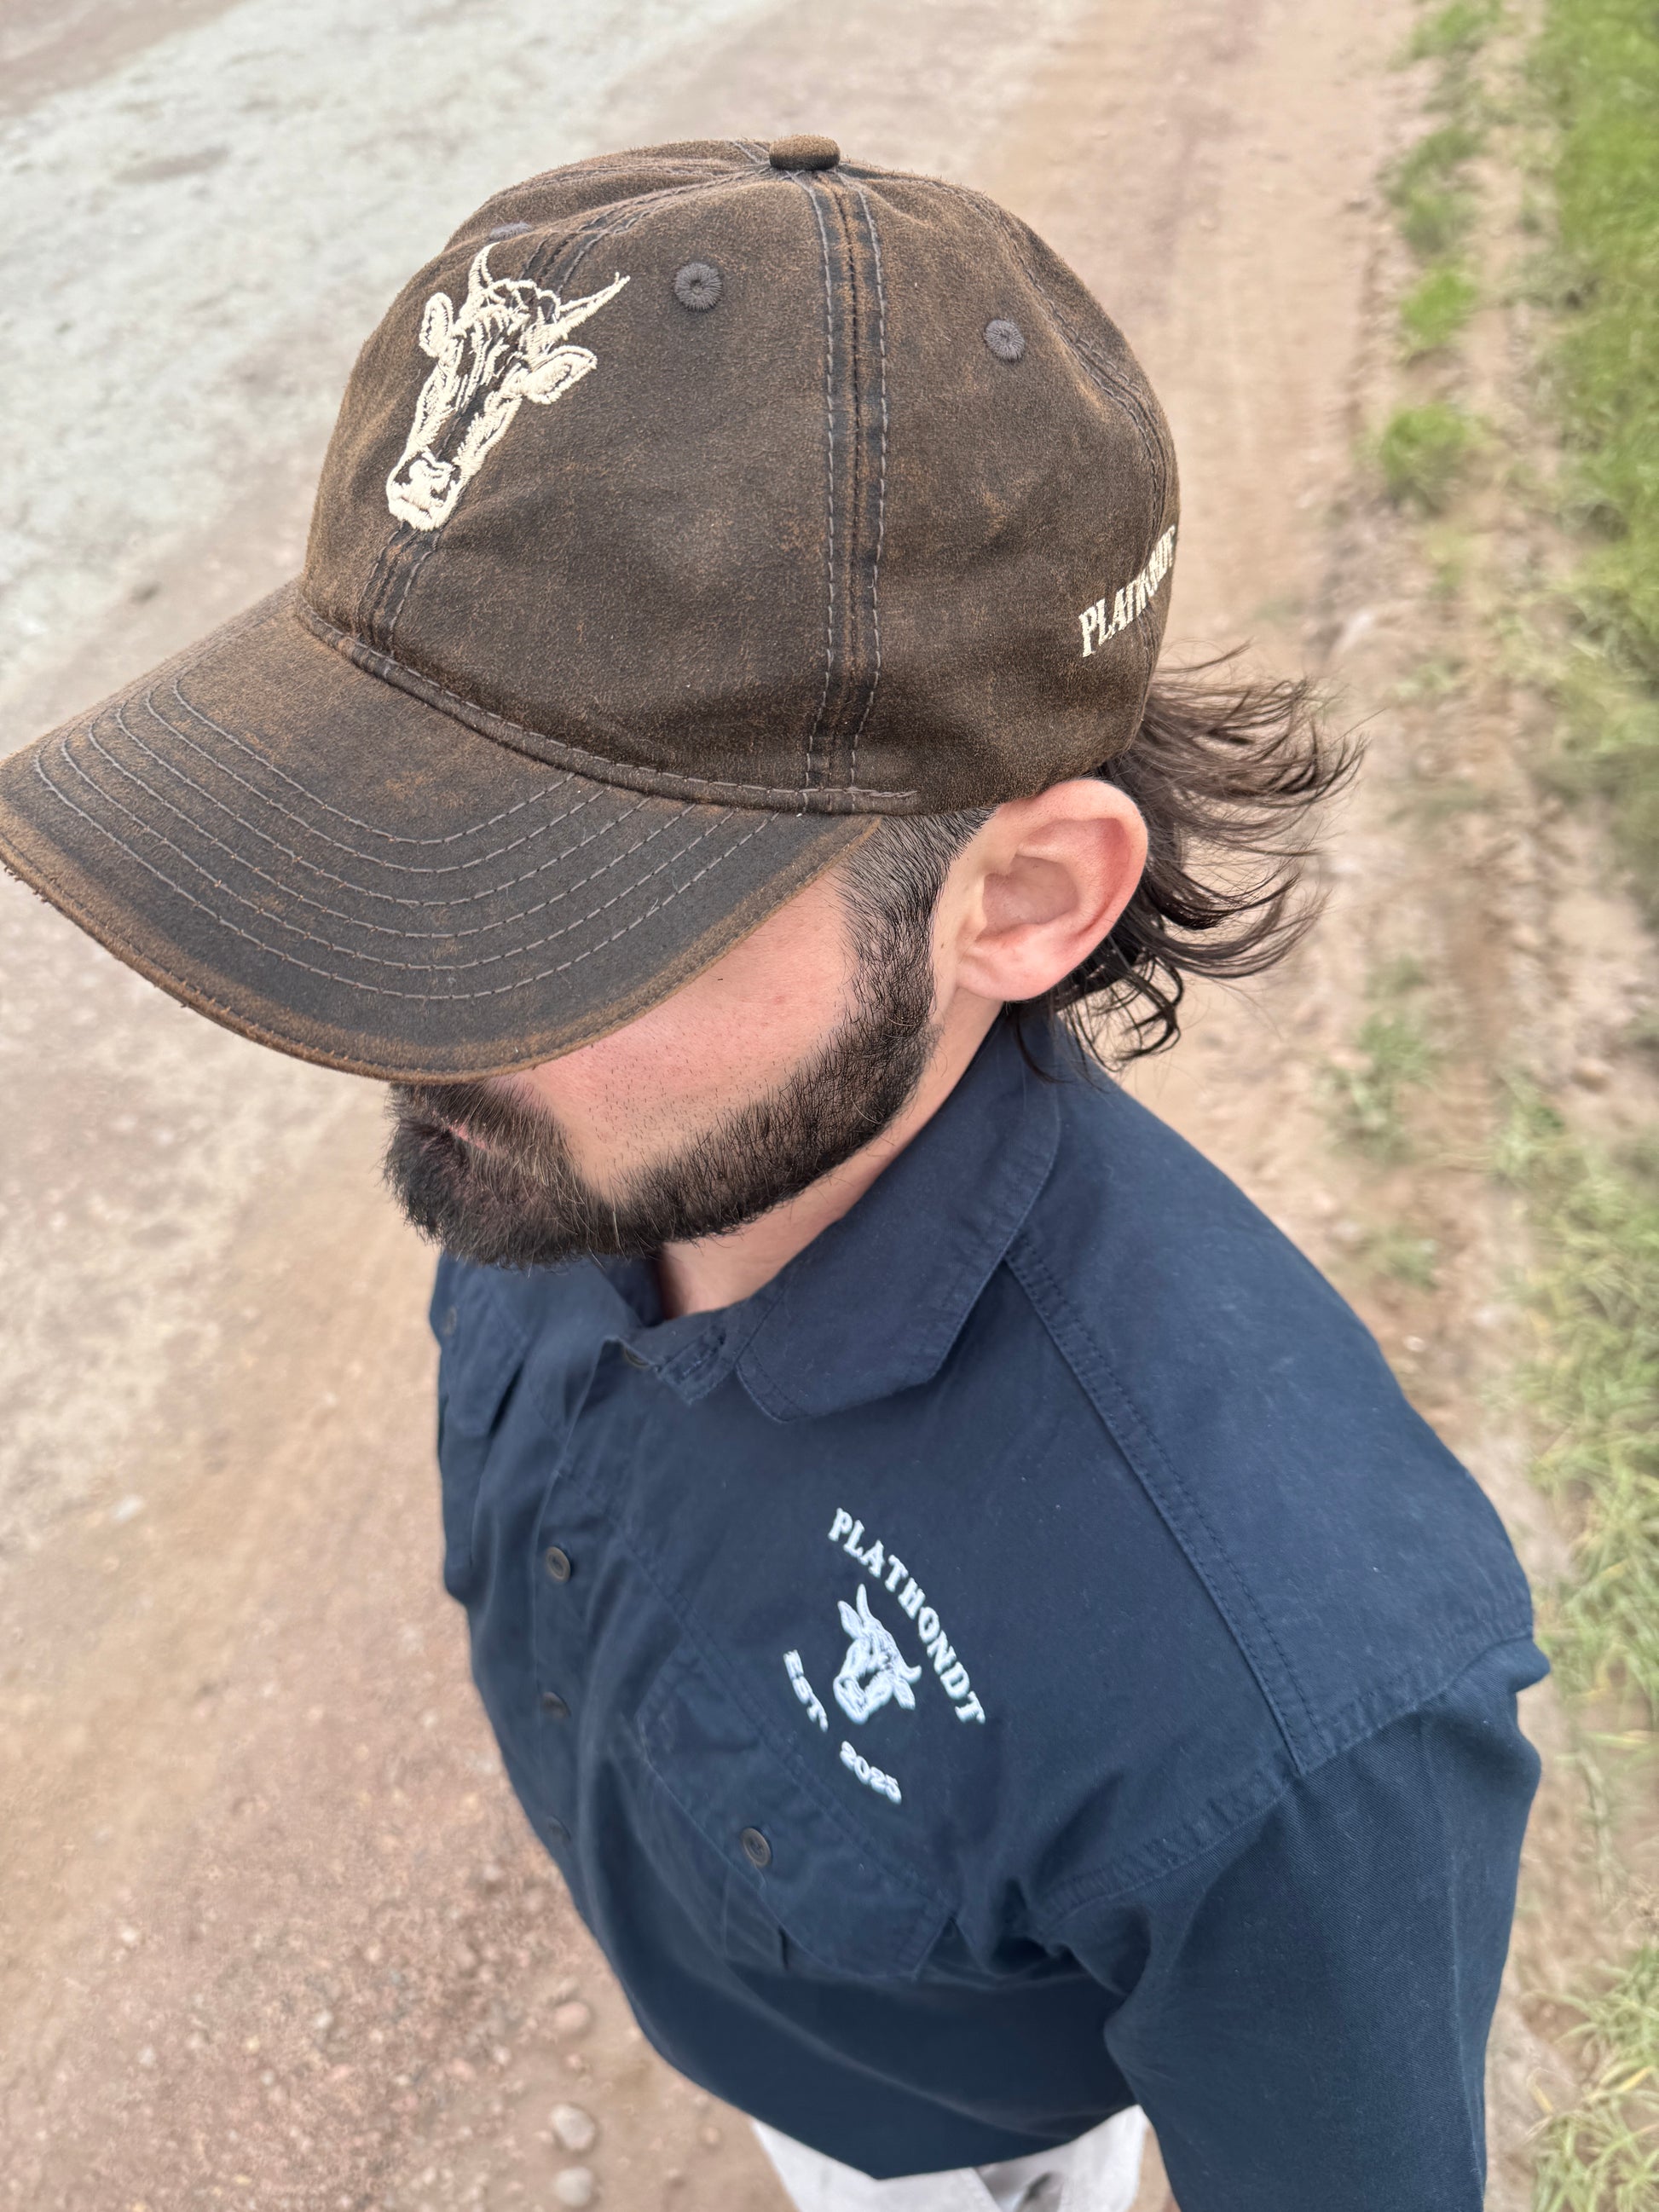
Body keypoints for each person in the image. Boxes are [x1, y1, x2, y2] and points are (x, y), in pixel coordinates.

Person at [0, 136, 1544, 2212]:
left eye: (562, 911)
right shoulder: (570, 1147)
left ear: (1023, 898)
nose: (402, 1019)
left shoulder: (1275, 1691)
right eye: (400, 846)